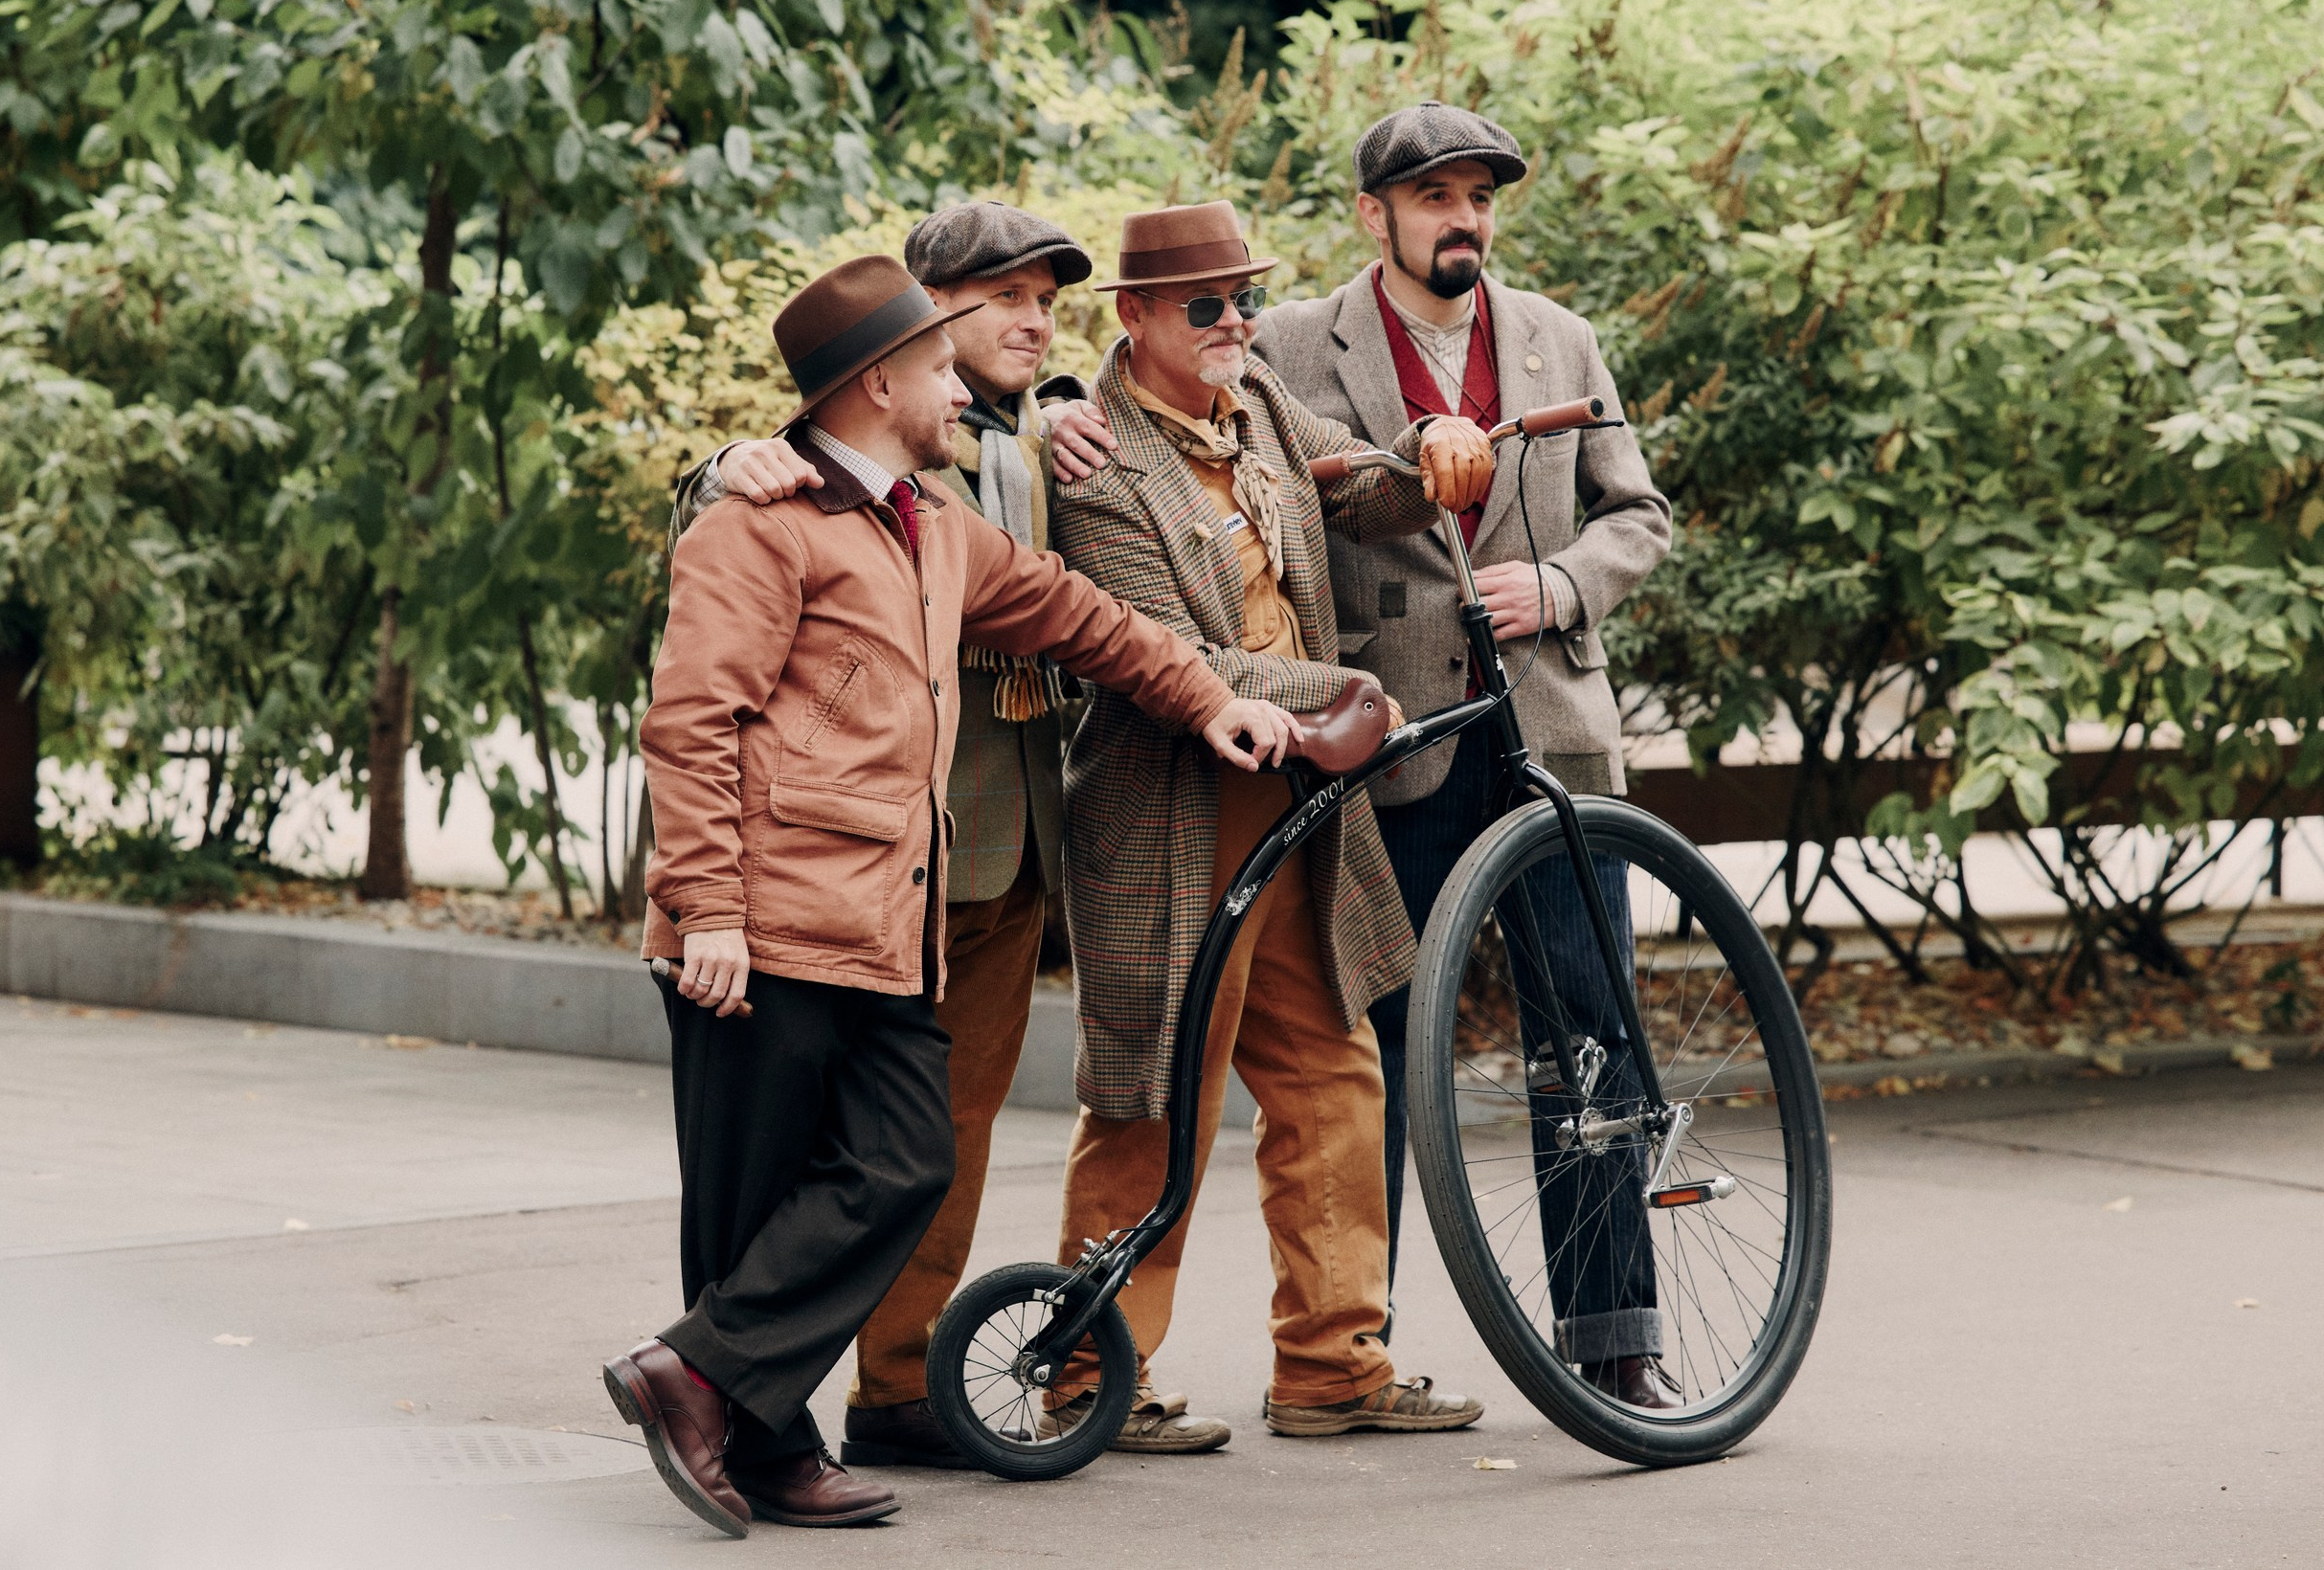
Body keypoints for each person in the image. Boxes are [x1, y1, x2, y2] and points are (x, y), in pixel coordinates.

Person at [603, 253, 1300, 1536]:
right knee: (748, 1209)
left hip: (877, 927)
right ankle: (761, 1438)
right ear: (878, 383)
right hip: (755, 927)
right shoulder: (759, 520)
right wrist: (704, 909)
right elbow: (690, 723)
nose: (960, 386)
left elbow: (1081, 616)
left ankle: (696, 1379)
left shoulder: (931, 524)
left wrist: (1213, 697)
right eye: (937, 365)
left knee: (904, 1160)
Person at [683, 201, 1203, 1461]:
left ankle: (888, 1392)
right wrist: (723, 463)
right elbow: (722, 604)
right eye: (1008, 301)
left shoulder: (1030, 448)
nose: (1035, 324)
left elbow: (1076, 609)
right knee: (814, 1156)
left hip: (1007, 839)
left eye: (1049, 305)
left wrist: (1222, 697)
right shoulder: (826, 470)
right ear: (927, 320)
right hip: (857, 867)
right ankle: (743, 1404)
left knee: (937, 1142)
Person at [1248, 101, 1679, 1404]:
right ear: (1372, 214)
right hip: (1396, 745)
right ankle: (1350, 1361)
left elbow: (1638, 511)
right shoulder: (1285, 346)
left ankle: (1616, 1340)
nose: (1465, 218)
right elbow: (1204, 442)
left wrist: (1556, 586)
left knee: (1590, 1039)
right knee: (1369, 1046)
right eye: (1436, 197)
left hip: (1550, 727)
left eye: (1480, 195)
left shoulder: (1560, 337)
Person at [1046, 199, 1492, 1447]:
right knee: (1153, 1092)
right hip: (1172, 810)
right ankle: (1090, 1374)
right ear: (1133, 319)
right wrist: (1343, 695)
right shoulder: (1093, 466)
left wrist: (1440, 454)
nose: (1237, 322)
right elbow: (1165, 656)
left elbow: (1357, 490)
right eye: (1206, 306)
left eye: (1244, 299)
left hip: (1303, 803)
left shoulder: (1259, 414)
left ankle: (1335, 1363)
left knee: (1336, 1069)